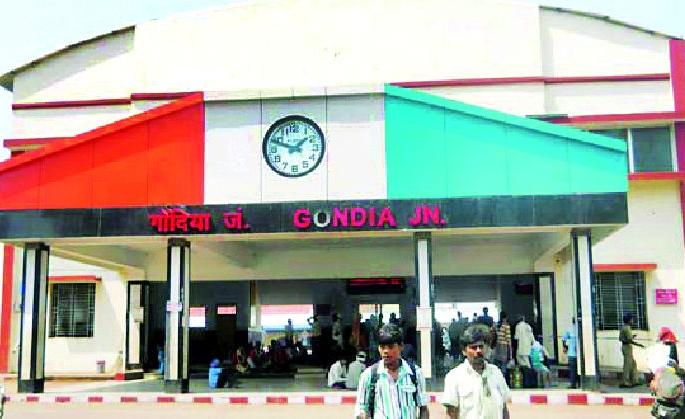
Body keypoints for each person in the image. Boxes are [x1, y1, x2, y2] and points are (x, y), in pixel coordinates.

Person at [354, 323, 429, 419]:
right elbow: (361, 409)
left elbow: (423, 408)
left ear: (401, 346)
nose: (385, 351)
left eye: (390, 347)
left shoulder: (415, 374)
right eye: (382, 347)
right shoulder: (369, 375)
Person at [442, 325, 511, 419]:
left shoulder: (496, 373)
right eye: (473, 347)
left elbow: (504, 409)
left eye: (481, 346)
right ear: (464, 351)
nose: (478, 351)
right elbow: (451, 414)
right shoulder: (454, 377)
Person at [620, 313, 645, 388]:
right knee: (627, 365)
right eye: (632, 319)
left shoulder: (624, 327)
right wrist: (639, 344)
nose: (633, 321)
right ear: (629, 320)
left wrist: (632, 337)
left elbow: (623, 338)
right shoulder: (627, 328)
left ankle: (634, 380)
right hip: (627, 347)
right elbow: (629, 340)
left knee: (633, 364)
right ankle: (626, 382)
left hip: (626, 346)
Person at [494, 312, 512, 379]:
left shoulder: (498, 325)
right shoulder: (506, 325)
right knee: (504, 363)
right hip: (504, 346)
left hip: (498, 346)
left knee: (499, 362)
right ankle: (503, 378)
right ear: (506, 317)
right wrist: (510, 348)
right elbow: (508, 338)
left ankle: (498, 378)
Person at [562, 317, 579, 388]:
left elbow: (564, 339)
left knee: (572, 370)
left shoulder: (569, 328)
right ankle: (580, 384)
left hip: (571, 353)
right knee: (579, 370)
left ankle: (573, 385)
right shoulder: (581, 328)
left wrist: (565, 348)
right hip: (580, 354)